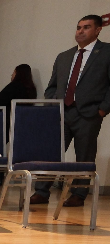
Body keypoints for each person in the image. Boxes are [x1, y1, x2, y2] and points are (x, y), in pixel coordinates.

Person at [33, 14, 110, 208]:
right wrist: (53, 105)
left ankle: (79, 194)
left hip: (89, 114)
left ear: (98, 29)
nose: (80, 31)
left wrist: (102, 110)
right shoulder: (64, 56)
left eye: (86, 27)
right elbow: (52, 87)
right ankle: (42, 192)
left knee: (84, 156)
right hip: (61, 113)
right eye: (78, 27)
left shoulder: (107, 52)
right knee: (51, 153)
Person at [0, 64, 38, 140]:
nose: (11, 75)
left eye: (13, 72)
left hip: (7, 122)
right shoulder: (32, 89)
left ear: (17, 73)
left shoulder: (14, 86)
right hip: (23, 123)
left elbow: (0, 102)